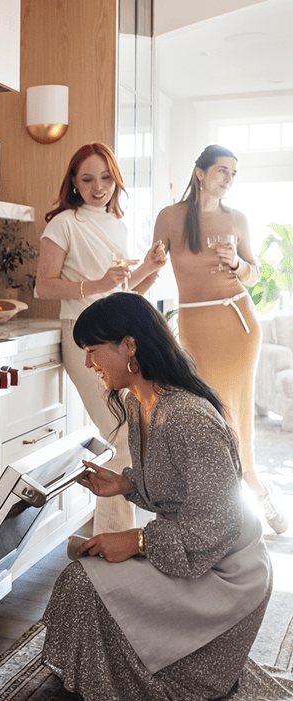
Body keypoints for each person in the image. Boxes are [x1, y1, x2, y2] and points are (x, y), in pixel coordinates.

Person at [41, 292, 287, 701]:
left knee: (84, 583)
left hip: (227, 571)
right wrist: (123, 484)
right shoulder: (141, 405)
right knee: (81, 579)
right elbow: (176, 485)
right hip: (192, 549)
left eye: (92, 350)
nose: (87, 363)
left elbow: (217, 522)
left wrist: (136, 541)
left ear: (129, 346)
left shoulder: (188, 417)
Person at [152, 144, 288, 534]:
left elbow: (254, 275)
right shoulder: (171, 217)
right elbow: (154, 262)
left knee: (235, 412)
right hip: (195, 325)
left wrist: (237, 263)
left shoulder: (237, 219)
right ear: (200, 172)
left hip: (237, 322)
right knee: (207, 412)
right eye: (221, 171)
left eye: (233, 173)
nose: (228, 179)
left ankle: (250, 486)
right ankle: (237, 493)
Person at [35, 142, 166, 534]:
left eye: (106, 177)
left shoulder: (117, 225)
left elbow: (117, 294)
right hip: (84, 340)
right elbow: (44, 286)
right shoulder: (64, 223)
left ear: (116, 180)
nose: (98, 186)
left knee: (134, 428)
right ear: (74, 182)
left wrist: (148, 267)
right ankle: (114, 540)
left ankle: (117, 535)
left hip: (118, 339)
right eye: (88, 178)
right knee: (120, 431)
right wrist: (96, 282)